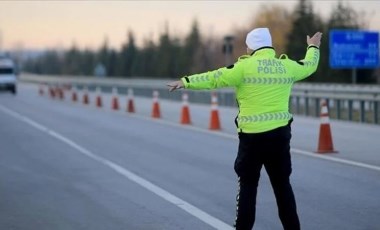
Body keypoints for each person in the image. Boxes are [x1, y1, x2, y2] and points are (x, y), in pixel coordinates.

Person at [167, 27, 322, 230]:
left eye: (248, 46)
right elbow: (309, 66)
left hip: (252, 139)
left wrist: (185, 82)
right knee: (282, 187)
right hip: (279, 137)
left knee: (248, 187)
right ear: (269, 45)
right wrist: (313, 47)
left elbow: (214, 77)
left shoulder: (243, 67)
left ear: (251, 47)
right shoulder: (286, 66)